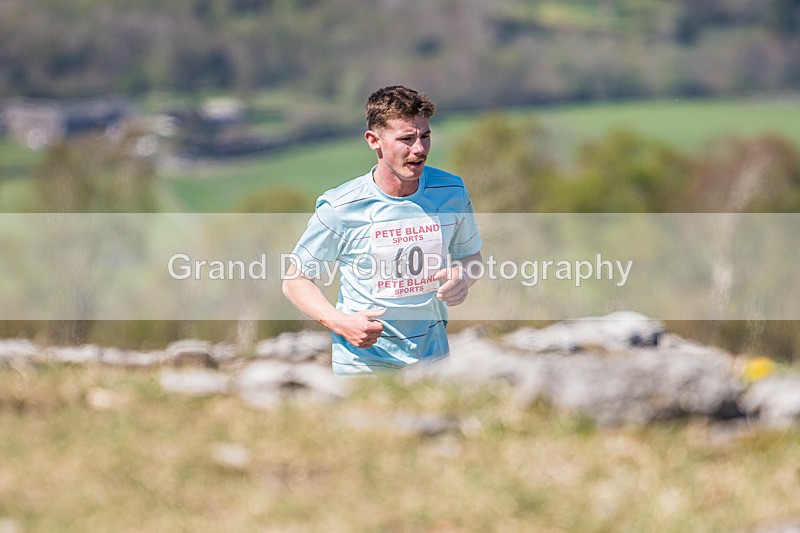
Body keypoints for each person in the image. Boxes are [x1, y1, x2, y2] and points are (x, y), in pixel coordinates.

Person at [282, 85, 483, 375]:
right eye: (406, 139)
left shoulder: (451, 191)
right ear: (373, 141)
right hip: (362, 366)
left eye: (425, 136)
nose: (419, 149)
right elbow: (295, 280)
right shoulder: (341, 206)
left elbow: (471, 258)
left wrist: (463, 276)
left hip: (433, 363)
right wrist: (339, 322)